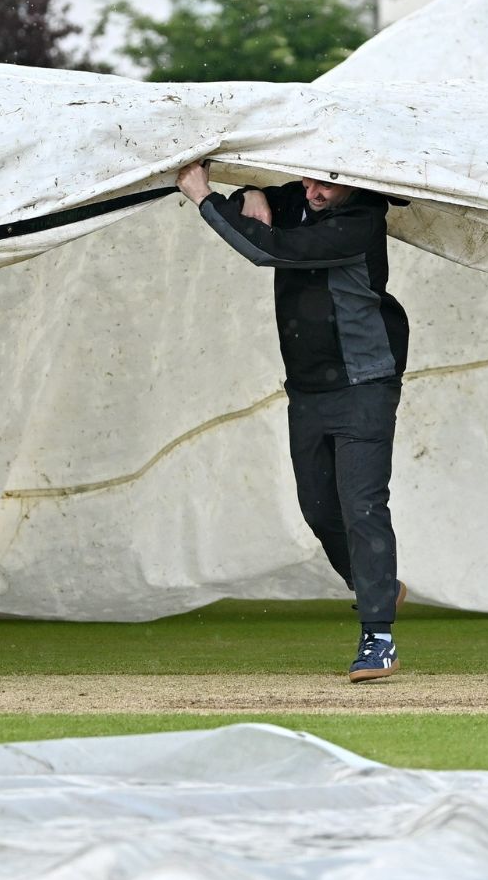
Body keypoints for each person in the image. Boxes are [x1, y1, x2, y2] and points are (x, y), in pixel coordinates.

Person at [175, 160, 409, 682]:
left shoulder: (361, 221)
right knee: (318, 510)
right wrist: (253, 191)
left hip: (365, 384)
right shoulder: (301, 197)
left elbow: (271, 249)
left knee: (362, 504)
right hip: (307, 389)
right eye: (307, 179)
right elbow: (257, 211)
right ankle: (378, 584)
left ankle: (378, 637)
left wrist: (203, 197)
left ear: (356, 182)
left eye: (326, 181)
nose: (312, 190)